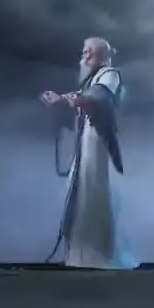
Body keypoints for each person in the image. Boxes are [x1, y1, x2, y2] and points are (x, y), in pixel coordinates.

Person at [40, 37, 138, 270]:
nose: (84, 56)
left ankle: (98, 256)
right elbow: (79, 96)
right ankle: (80, 255)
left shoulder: (110, 75)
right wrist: (60, 101)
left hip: (99, 144)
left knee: (94, 193)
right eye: (84, 52)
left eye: (89, 51)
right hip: (86, 143)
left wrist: (69, 101)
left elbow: (98, 97)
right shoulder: (91, 80)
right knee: (82, 195)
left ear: (100, 54)